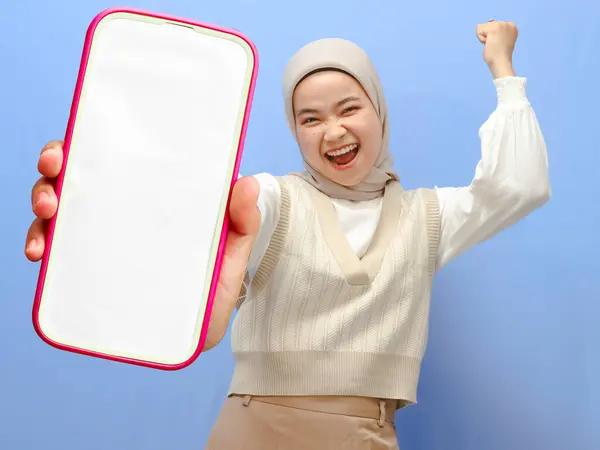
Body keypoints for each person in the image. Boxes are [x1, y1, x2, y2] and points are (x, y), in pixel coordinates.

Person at [25, 19, 550, 450]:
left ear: (379, 110)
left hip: (367, 434)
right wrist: (103, 195)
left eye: (349, 108)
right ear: (294, 129)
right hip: (252, 431)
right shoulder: (275, 198)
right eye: (310, 118)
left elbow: (518, 185)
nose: (334, 131)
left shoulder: (428, 217)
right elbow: (196, 210)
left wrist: (503, 69)